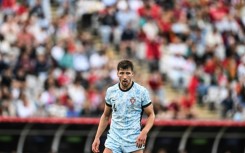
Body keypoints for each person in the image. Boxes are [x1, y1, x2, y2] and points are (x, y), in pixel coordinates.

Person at [92, 59, 155, 153]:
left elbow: (151, 115)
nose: (125, 76)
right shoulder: (111, 91)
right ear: (117, 73)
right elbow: (105, 116)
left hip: (134, 140)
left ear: (132, 74)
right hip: (114, 140)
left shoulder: (141, 92)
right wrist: (97, 137)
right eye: (121, 73)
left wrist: (144, 132)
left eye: (128, 73)